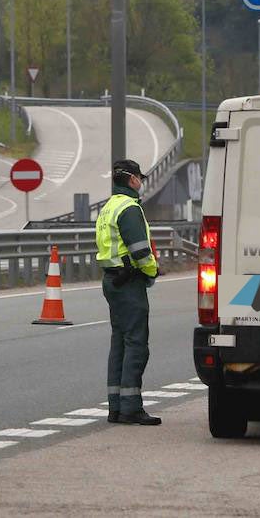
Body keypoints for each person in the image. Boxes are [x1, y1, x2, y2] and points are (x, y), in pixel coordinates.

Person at [96, 158, 161, 426]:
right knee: (136, 344)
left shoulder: (108, 207)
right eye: (140, 178)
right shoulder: (129, 208)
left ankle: (116, 407)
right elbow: (141, 251)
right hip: (129, 282)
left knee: (120, 343)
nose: (141, 182)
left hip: (112, 280)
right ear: (132, 179)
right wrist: (151, 272)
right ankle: (131, 408)